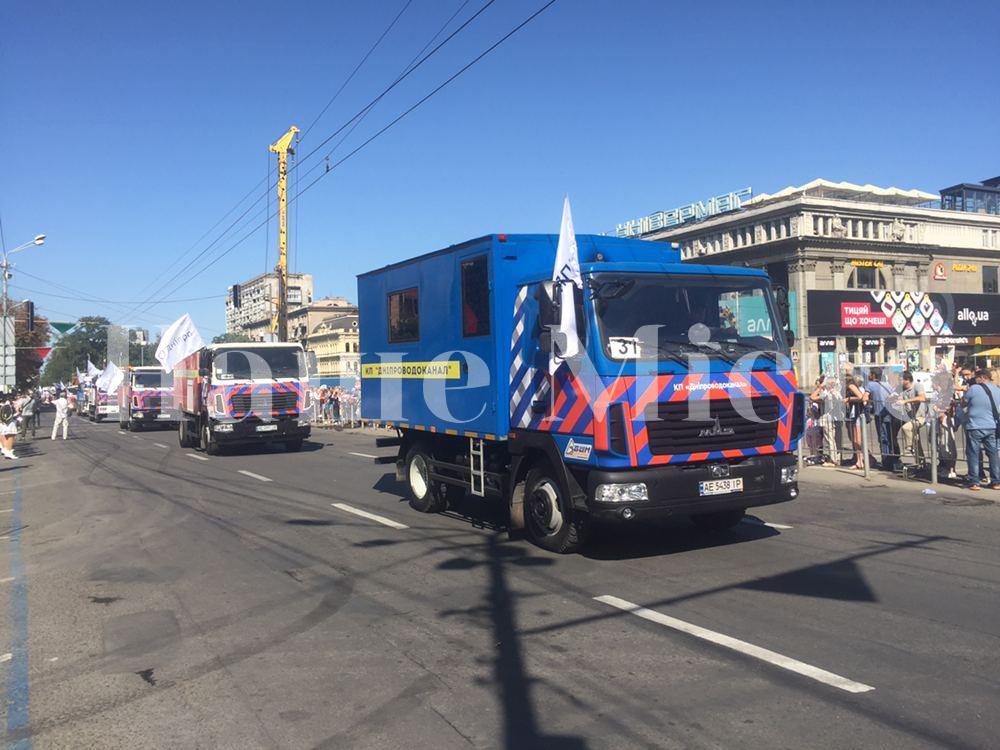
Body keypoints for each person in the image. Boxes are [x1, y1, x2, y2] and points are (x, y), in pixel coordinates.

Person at [958, 369, 1000, 491]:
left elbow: (963, 403)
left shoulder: (974, 389)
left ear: (982, 377)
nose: (975, 379)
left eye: (976, 377)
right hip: (992, 426)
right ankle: (996, 481)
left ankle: (974, 482)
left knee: (973, 454)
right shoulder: (997, 390)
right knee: (993, 454)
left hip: (975, 426)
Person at [865, 368, 895, 469]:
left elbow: (864, 397)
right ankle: (892, 460)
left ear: (873, 375)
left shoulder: (870, 385)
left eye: (870, 374)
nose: (869, 375)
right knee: (890, 437)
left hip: (880, 414)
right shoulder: (887, 385)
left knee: (883, 438)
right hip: (890, 413)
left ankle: (886, 462)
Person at [895, 371, 927, 463]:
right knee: (916, 440)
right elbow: (899, 399)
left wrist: (906, 401)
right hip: (911, 417)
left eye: (900, 380)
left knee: (906, 428)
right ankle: (921, 462)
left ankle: (909, 447)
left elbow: (922, 398)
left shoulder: (917, 386)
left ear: (907, 380)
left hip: (921, 416)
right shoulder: (902, 389)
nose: (899, 381)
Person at [844, 373, 867, 469]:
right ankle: (859, 460)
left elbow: (861, 397)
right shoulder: (850, 386)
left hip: (857, 415)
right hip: (853, 415)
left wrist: (848, 399)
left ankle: (861, 461)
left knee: (857, 439)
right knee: (855, 439)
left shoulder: (851, 385)